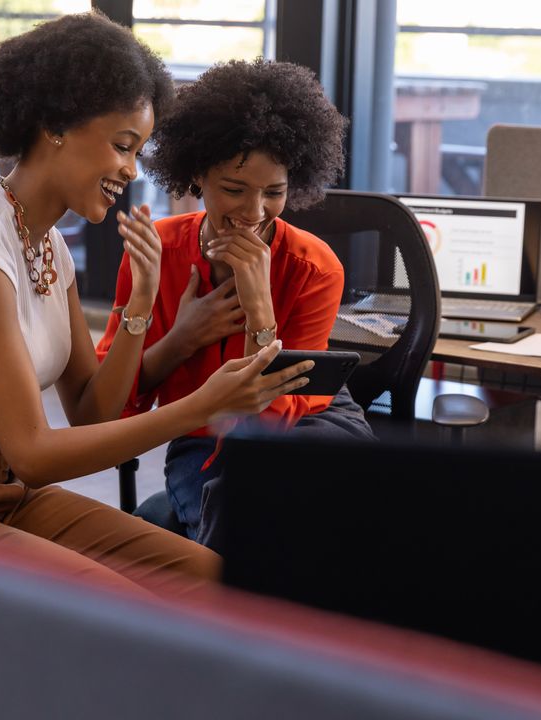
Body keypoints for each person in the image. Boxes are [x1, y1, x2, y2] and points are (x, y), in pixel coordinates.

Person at [0, 13, 311, 596]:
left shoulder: (46, 241)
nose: (132, 170)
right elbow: (34, 452)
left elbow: (90, 412)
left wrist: (141, 304)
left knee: (218, 584)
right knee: (127, 613)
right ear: (55, 125)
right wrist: (196, 408)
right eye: (122, 145)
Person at [96, 59, 374, 547]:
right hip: (202, 435)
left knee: (294, 518)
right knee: (241, 517)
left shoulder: (314, 266)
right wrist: (183, 339)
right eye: (233, 190)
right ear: (198, 175)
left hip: (309, 416)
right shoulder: (155, 252)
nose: (253, 212)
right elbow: (115, 405)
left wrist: (260, 308)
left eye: (275, 193)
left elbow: (267, 422)